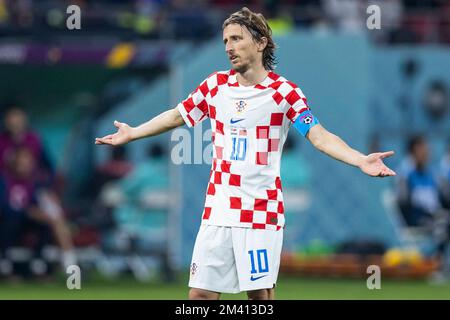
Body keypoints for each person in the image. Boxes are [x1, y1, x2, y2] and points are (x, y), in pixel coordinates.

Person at [95, 7, 396, 300]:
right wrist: (133, 132)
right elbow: (176, 115)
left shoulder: (284, 93)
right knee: (199, 294)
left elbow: (319, 136)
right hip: (218, 209)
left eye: (237, 38)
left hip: (260, 212)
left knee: (259, 296)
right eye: (226, 40)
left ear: (261, 42)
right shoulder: (214, 87)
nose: (229, 46)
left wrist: (360, 159)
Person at [396, 135, 450, 272]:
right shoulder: (406, 174)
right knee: (442, 224)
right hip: (417, 218)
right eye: (422, 149)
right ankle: (437, 266)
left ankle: (437, 263)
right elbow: (403, 203)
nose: (426, 152)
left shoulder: (433, 174)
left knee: (444, 221)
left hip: (436, 216)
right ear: (413, 151)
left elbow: (444, 197)